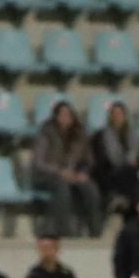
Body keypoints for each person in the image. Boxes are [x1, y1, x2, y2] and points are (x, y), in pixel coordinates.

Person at [32, 100, 103, 239]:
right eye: (62, 114)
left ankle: (95, 231)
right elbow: (39, 162)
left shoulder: (80, 134)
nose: (65, 118)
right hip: (47, 175)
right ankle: (64, 232)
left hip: (73, 174)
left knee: (91, 188)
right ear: (56, 116)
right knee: (62, 186)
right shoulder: (46, 133)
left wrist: (83, 172)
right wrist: (60, 171)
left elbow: (88, 160)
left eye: (68, 114)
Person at [93, 100, 139, 215]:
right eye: (114, 113)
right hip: (109, 172)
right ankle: (120, 199)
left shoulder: (132, 134)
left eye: (120, 113)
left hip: (128, 173)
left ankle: (124, 201)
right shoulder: (101, 135)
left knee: (134, 181)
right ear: (110, 116)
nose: (117, 116)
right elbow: (103, 160)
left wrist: (136, 162)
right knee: (133, 182)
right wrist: (126, 163)